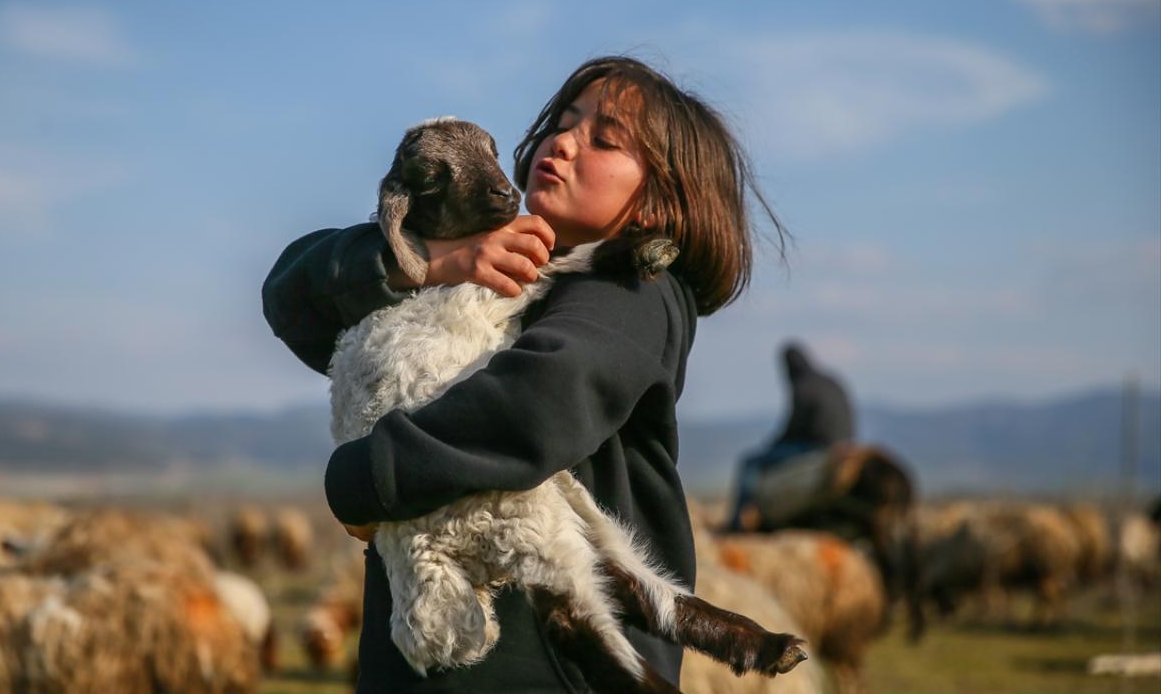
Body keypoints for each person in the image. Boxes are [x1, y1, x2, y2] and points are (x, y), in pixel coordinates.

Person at [262, 56, 782, 693]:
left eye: (605, 140)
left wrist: (366, 477)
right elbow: (290, 298)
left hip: (548, 671)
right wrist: (427, 261)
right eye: (562, 123)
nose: (562, 142)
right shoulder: (477, 277)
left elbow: (536, 404)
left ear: (655, 204)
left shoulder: (634, 288)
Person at [729, 341, 855, 532]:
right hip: (845, 446)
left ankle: (736, 522)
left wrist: (772, 446)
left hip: (816, 448)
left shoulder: (803, 386)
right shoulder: (830, 381)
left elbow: (794, 428)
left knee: (750, 463)